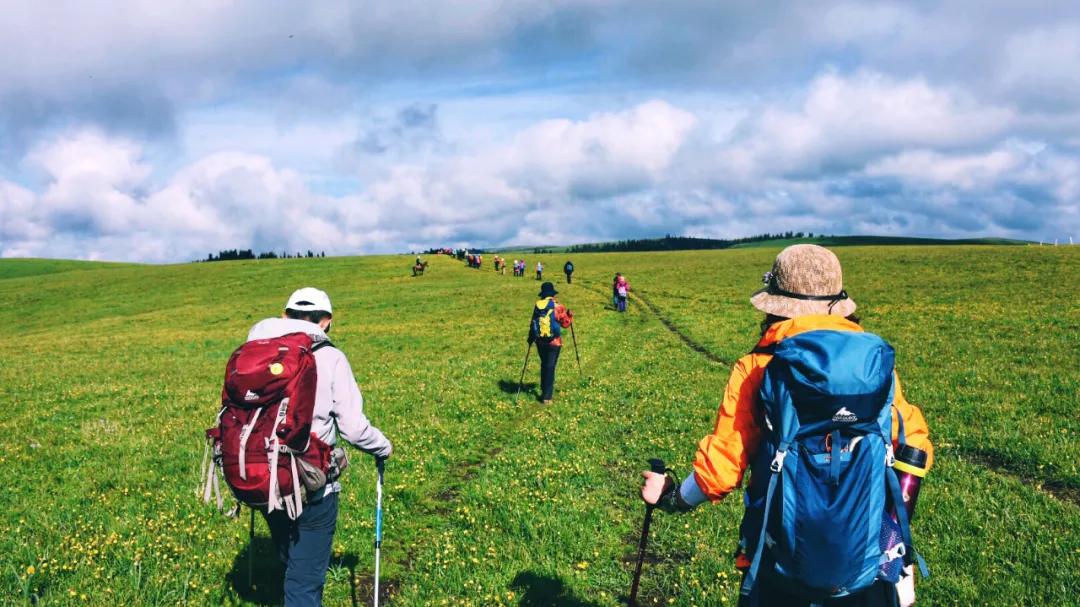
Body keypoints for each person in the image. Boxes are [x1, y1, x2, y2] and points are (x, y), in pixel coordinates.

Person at [640, 245, 933, 607]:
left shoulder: (757, 368)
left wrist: (672, 497)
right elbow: (914, 445)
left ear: (775, 303)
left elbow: (719, 472)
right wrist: (894, 545)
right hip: (868, 566)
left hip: (778, 566)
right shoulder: (873, 368)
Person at [247, 287, 393, 607]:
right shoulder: (330, 357)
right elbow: (354, 429)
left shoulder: (254, 349)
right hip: (310, 479)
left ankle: (289, 575)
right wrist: (383, 447)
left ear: (285, 315)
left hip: (259, 472)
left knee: (289, 551)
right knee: (304, 581)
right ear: (326, 322)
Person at [526, 282, 573, 405]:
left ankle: (544, 389)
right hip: (554, 342)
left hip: (540, 341)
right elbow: (565, 323)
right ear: (552, 294)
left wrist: (531, 339)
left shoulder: (538, 305)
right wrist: (570, 316)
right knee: (550, 366)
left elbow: (533, 322)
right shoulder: (558, 306)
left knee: (544, 364)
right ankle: (547, 397)